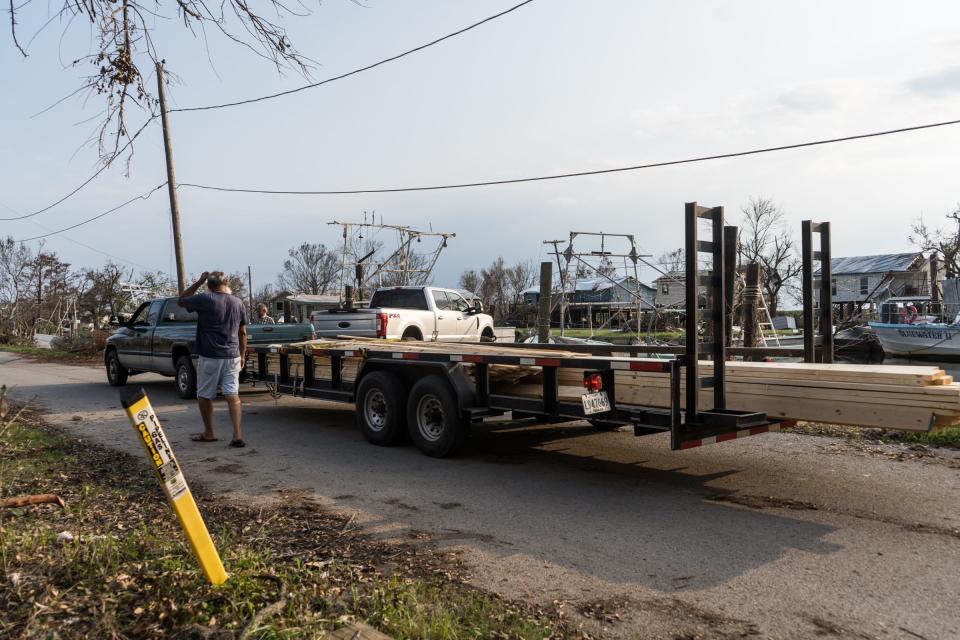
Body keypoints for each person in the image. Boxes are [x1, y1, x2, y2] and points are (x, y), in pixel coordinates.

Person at [178, 270, 248, 447]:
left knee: (204, 395)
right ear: (227, 283)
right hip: (232, 355)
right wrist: (242, 354)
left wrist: (198, 281)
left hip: (210, 355)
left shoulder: (204, 299)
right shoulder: (238, 302)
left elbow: (181, 300)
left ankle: (209, 433)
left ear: (209, 285)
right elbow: (243, 332)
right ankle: (237, 435)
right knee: (232, 394)